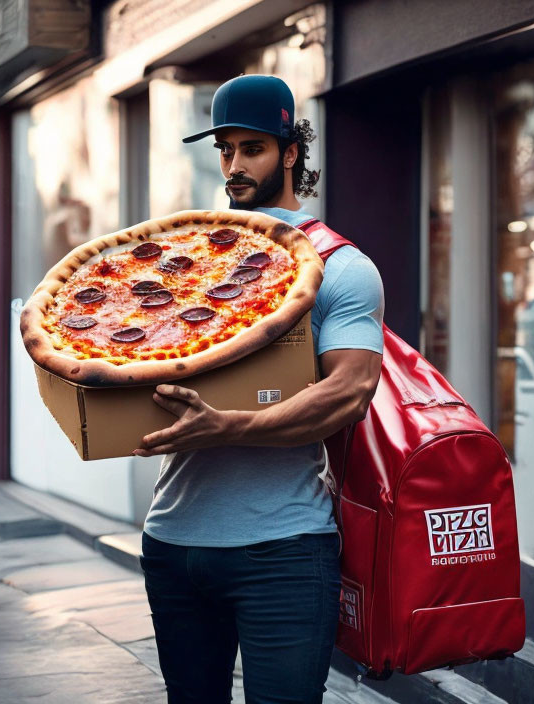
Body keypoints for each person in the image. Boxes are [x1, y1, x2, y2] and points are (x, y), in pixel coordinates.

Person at [133, 75, 385, 704]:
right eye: (225, 150)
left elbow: (349, 393)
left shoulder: (343, 267)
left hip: (285, 550)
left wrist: (226, 426)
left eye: (252, 149)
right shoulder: (185, 258)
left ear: (291, 151)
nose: (234, 165)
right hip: (173, 541)